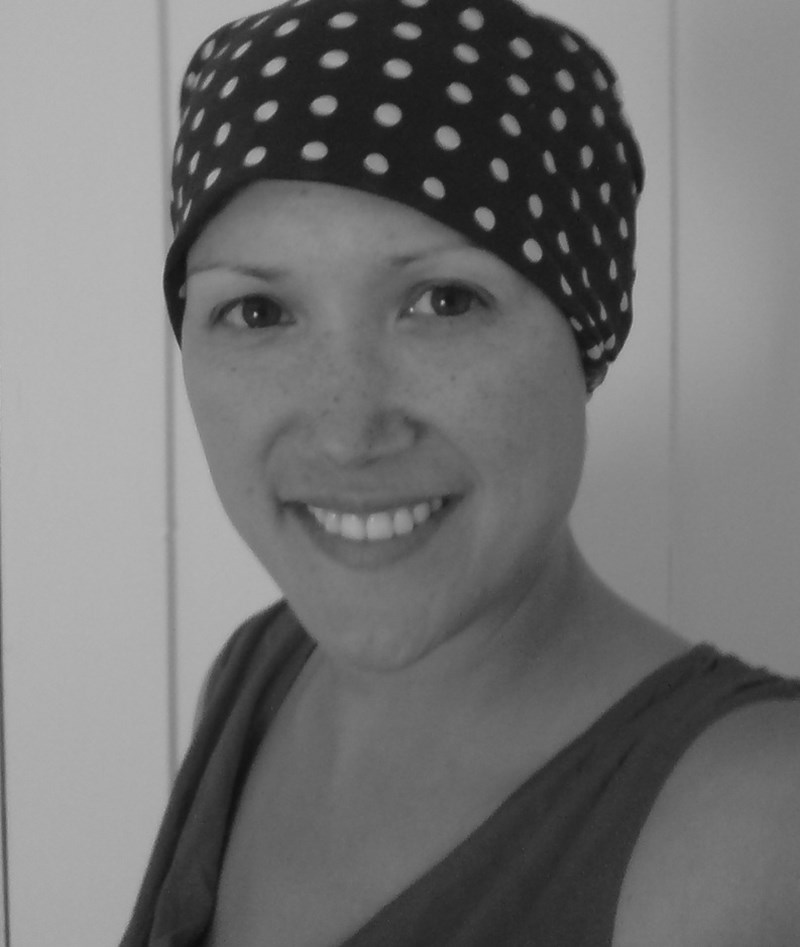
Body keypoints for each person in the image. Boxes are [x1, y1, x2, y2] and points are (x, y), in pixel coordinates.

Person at [121, 1, 800, 944]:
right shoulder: (257, 670)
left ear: (585, 340)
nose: (348, 432)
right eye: (259, 312)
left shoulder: (751, 828)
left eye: (444, 300)